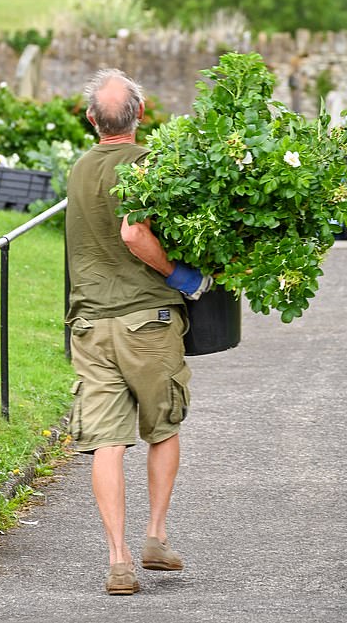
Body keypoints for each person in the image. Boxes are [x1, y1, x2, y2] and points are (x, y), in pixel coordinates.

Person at [65, 68, 211, 597]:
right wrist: (182, 276)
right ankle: (155, 535)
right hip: (147, 318)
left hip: (89, 323)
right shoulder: (147, 164)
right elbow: (134, 231)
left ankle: (118, 559)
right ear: (141, 115)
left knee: (107, 442)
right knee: (164, 428)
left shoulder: (79, 169)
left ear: (90, 120)